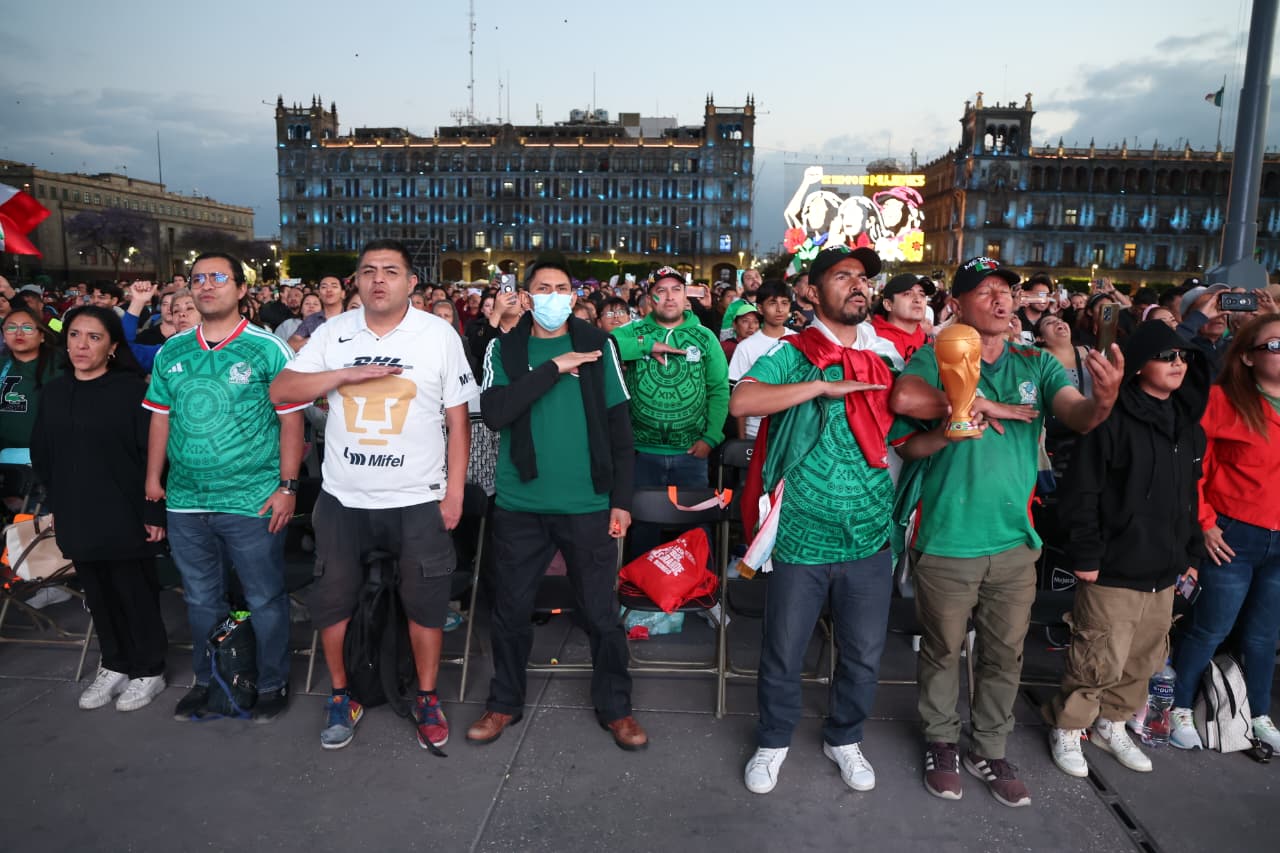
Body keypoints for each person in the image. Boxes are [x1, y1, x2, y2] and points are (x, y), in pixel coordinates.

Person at [888, 255, 1123, 808]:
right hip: (946, 537)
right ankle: (941, 742)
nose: (1002, 300)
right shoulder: (934, 356)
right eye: (987, 290)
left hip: (1015, 543)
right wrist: (972, 408)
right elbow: (903, 409)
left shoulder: (1035, 364)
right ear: (959, 303)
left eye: (1008, 291)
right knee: (943, 649)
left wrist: (1105, 398)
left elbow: (1078, 413)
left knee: (1004, 654)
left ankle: (989, 747)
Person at [271, 239, 474, 751]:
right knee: (333, 600)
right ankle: (341, 693)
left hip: (418, 498)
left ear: (411, 282)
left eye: (390, 271)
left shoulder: (438, 335)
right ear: (356, 281)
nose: (377, 279)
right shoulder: (334, 333)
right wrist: (343, 375)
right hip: (345, 498)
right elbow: (282, 392)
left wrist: (453, 493)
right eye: (367, 271)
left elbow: (458, 420)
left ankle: (427, 696)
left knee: (425, 602)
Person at [729, 245, 900, 796]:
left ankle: (844, 738)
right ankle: (774, 740)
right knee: (784, 647)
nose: (857, 285)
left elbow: (910, 425)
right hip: (802, 531)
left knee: (864, 653)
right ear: (811, 289)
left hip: (871, 532)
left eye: (863, 279)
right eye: (843, 276)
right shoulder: (793, 352)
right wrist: (823, 386)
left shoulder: (886, 357)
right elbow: (742, 402)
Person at [469, 254, 646, 751]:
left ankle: (617, 707)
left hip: (588, 501)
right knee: (510, 609)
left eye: (561, 287)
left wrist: (621, 500)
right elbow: (497, 411)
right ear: (526, 297)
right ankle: (504, 701)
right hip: (522, 501)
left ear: (574, 295)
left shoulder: (597, 343)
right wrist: (552, 368)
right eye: (542, 288)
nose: (552, 295)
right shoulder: (505, 349)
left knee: (600, 613)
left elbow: (619, 429)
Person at [143, 251, 306, 723]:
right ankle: (209, 679)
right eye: (198, 278)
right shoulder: (172, 350)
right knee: (199, 600)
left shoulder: (267, 348)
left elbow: (292, 421)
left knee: (264, 597)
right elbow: (160, 418)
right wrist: (154, 479)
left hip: (251, 498)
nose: (206, 285)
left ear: (240, 289)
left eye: (218, 277)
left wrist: (288, 486)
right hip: (188, 500)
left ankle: (272, 681)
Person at [1045, 321, 1208, 777]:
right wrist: (1088, 557)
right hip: (1113, 565)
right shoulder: (1110, 418)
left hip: (1165, 568)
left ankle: (1111, 723)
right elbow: (1082, 492)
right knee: (1097, 657)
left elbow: (1189, 498)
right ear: (1138, 366)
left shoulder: (1187, 424)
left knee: (1144, 658)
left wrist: (1190, 557)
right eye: (1167, 356)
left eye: (1183, 357)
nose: (1178, 363)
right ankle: (1069, 726)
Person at [31, 306, 169, 713]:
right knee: (97, 594)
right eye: (75, 335)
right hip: (75, 509)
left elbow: (154, 456)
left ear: (111, 346)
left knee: (134, 592)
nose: (81, 345)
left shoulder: (131, 391)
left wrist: (153, 513)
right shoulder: (54, 391)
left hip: (126, 511)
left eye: (94, 337)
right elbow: (44, 452)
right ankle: (114, 663)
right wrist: (56, 503)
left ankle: (149, 669)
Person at [1169, 312, 1280, 753]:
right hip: (1233, 533)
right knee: (1209, 627)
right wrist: (1206, 521)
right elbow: (1192, 466)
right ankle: (1177, 706)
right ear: (1249, 357)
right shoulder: (1224, 400)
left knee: (1264, 634)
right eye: (1274, 345)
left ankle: (1256, 712)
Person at [610, 266, 729, 492]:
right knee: (642, 524)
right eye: (661, 290)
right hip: (641, 454)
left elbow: (719, 390)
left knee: (694, 523)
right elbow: (606, 345)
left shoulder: (705, 337)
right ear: (650, 299)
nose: (669, 296)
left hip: (692, 454)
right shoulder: (633, 330)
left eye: (676, 289)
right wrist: (646, 346)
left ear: (685, 297)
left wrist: (711, 438)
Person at [729, 280, 796, 440]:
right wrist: (742, 439)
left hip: (792, 431)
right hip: (755, 432)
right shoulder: (746, 347)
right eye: (772, 303)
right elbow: (737, 395)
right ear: (760, 308)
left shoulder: (799, 341)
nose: (779, 309)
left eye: (785, 303)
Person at [0, 307, 60, 453]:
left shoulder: (61, 367)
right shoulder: (2, 364)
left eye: (27, 327)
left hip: (48, 457)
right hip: (5, 459)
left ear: (42, 336)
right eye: (11, 327)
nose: (18, 333)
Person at [872, 273, 934, 363]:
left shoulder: (927, 340)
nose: (918, 299)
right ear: (888, 304)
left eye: (922, 295)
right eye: (907, 294)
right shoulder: (873, 340)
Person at [287, 275, 345, 351]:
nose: (328, 290)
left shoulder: (351, 317)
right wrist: (318, 338)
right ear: (319, 294)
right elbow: (292, 344)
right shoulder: (312, 319)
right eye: (324, 287)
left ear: (343, 293)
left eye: (334, 286)